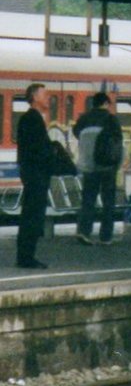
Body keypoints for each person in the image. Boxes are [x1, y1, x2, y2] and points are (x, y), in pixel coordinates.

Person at [72, 92, 124, 245]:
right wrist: (117, 163)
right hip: (107, 166)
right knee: (108, 202)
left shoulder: (84, 119)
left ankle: (84, 232)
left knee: (88, 200)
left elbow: (77, 134)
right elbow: (118, 143)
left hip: (89, 166)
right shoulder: (111, 119)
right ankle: (105, 236)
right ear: (106, 103)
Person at [15, 83, 54, 268]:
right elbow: (37, 150)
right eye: (45, 94)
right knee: (32, 215)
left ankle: (26, 255)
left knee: (31, 214)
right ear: (35, 97)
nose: (48, 98)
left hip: (33, 174)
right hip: (36, 174)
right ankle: (26, 257)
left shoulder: (31, 118)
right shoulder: (32, 119)